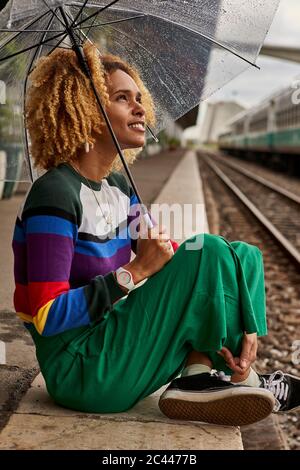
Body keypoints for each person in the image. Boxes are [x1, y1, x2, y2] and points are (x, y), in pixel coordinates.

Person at [12, 42, 300, 427]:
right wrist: (133, 272)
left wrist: (249, 324)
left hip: (116, 343)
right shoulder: (56, 194)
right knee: (211, 250)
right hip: (81, 369)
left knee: (242, 254)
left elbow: (173, 254)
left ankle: (202, 375)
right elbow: (46, 316)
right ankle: (233, 378)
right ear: (86, 110)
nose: (139, 108)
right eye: (121, 99)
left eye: (138, 98)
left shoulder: (118, 187)